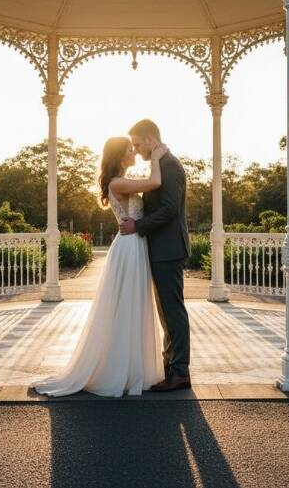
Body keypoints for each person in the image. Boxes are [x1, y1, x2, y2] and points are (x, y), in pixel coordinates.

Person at [33, 136, 167, 397]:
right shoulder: (118, 182)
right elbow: (155, 182)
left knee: (132, 304)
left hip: (133, 243)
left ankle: (131, 368)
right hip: (129, 246)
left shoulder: (120, 181)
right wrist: (158, 158)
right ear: (119, 157)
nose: (133, 153)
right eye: (130, 150)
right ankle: (119, 370)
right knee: (127, 304)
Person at [119, 119, 191, 392]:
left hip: (169, 248)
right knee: (166, 311)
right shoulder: (160, 164)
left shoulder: (170, 166)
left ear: (151, 139)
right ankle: (171, 366)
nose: (136, 150)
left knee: (173, 311)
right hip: (161, 248)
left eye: (138, 144)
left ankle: (180, 371)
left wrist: (138, 226)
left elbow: (170, 209)